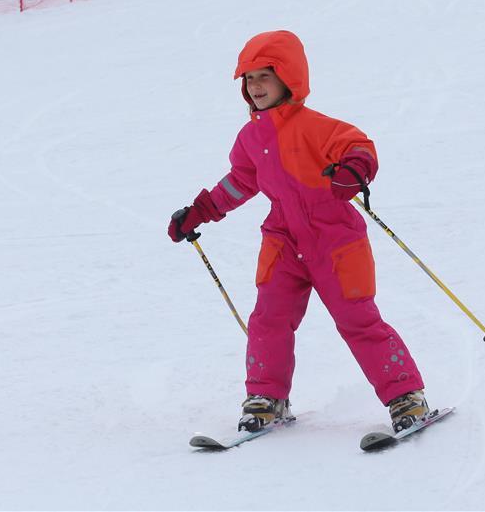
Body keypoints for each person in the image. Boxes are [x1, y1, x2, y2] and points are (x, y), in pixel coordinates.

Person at [167, 30, 429, 433]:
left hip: (335, 238)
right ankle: (267, 398)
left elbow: (359, 147)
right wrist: (201, 210)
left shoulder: (316, 126)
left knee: (357, 319)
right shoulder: (251, 137)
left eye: (264, 77)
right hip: (283, 241)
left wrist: (353, 171)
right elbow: (241, 181)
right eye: (248, 79)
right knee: (268, 318)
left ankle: (405, 397)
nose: (255, 87)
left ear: (288, 78)